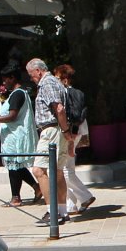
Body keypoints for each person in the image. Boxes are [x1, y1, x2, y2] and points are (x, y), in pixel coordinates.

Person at [0, 65, 41, 208]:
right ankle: (36, 187)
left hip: (15, 137)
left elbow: (12, 116)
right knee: (17, 166)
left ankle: (16, 197)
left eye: (5, 80)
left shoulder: (18, 94)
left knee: (14, 167)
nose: (3, 83)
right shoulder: (18, 93)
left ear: (12, 78)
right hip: (12, 137)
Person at [25, 58, 71, 224]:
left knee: (39, 170)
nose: (31, 79)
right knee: (57, 172)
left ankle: (52, 212)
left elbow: (58, 108)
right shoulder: (55, 82)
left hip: (51, 129)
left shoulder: (47, 83)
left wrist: (65, 130)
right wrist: (65, 131)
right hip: (58, 129)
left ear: (38, 71)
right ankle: (63, 211)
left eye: (31, 75)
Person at [53, 64, 95, 215]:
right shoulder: (78, 93)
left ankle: (84, 196)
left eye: (57, 77)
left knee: (64, 169)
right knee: (67, 168)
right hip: (76, 132)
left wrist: (71, 138)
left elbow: (74, 117)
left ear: (64, 79)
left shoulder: (66, 93)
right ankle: (71, 204)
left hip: (71, 133)